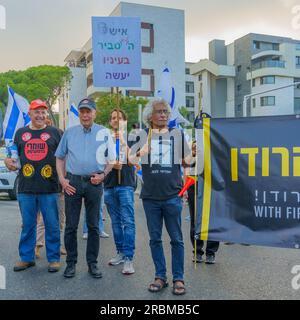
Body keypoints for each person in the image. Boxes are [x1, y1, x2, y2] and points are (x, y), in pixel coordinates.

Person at [129, 98, 191, 295]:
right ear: (150, 116)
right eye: (159, 111)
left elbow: (187, 161)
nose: (163, 114)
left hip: (173, 195)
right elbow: (129, 160)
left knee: (176, 239)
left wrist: (191, 156)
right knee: (155, 239)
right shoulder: (141, 136)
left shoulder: (177, 134)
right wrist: (140, 154)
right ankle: (160, 276)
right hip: (150, 198)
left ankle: (178, 278)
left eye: (165, 111)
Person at [55, 98, 115, 279]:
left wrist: (103, 175)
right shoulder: (69, 133)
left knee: (93, 226)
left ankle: (92, 264)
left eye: (88, 111)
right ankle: (71, 264)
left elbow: (111, 160)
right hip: (72, 182)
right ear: (79, 114)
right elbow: (59, 157)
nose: (85, 114)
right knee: (71, 226)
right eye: (82, 111)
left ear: (95, 113)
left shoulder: (104, 133)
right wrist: (62, 180)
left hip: (94, 183)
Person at [5, 99, 61, 273]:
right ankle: (26, 258)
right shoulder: (20, 134)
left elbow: (63, 157)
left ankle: (54, 259)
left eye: (43, 112)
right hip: (26, 187)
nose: (40, 115)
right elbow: (12, 156)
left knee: (52, 224)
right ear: (30, 114)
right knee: (28, 224)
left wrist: (64, 179)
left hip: (50, 188)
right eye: (37, 112)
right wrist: (8, 161)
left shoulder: (56, 132)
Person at [104, 109, 136, 275]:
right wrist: (110, 165)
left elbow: (135, 161)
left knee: (128, 222)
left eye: (119, 118)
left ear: (124, 121)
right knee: (115, 222)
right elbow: (99, 161)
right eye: (113, 118)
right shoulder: (104, 138)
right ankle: (121, 253)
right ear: (110, 122)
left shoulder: (132, 137)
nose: (116, 120)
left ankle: (129, 258)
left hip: (125, 184)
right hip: (109, 185)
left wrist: (122, 141)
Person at [35, 117, 66, 258]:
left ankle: (58, 245)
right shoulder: (38, 140)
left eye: (48, 122)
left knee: (60, 217)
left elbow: (65, 160)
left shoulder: (58, 134)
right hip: (45, 185)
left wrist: (65, 181)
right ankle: (38, 244)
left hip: (59, 184)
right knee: (43, 218)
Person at [186, 141, 220, 264]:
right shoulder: (194, 144)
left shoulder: (217, 141)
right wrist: (193, 153)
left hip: (213, 185)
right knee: (196, 219)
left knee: (213, 219)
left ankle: (211, 252)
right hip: (194, 184)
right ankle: (197, 250)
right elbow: (186, 165)